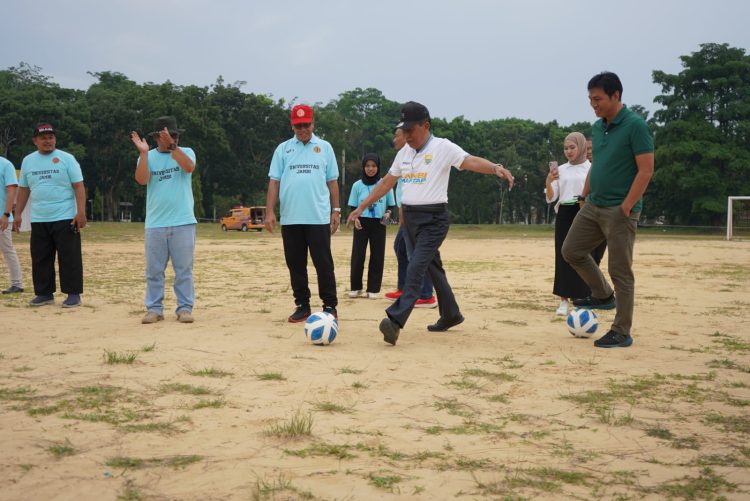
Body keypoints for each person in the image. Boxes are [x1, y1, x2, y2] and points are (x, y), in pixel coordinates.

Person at [347, 101, 514, 345]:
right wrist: (361, 207)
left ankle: (394, 321)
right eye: (403, 131)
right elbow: (386, 184)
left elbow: (469, 161)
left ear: (425, 126)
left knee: (415, 268)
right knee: (432, 268)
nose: (406, 136)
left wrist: (496, 168)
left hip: (434, 220)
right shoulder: (404, 152)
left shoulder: (442, 147)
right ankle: (451, 314)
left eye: (410, 130)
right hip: (411, 220)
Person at [562, 71, 654, 348]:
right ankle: (603, 295)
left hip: (620, 210)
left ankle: (621, 331)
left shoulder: (635, 126)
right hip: (593, 205)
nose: (593, 104)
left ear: (616, 96)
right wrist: (584, 196)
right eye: (590, 99)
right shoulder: (597, 127)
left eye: (598, 98)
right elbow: (598, 166)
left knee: (620, 271)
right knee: (571, 251)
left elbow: (646, 170)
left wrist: (627, 206)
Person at [265, 104, 340, 322]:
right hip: (291, 218)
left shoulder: (325, 148)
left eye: (306, 124)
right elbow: (274, 182)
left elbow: (332, 182)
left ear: (312, 123)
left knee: (323, 264)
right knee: (296, 265)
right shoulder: (283, 149)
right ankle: (302, 305)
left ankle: (330, 305)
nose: (302, 129)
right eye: (298, 126)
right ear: (292, 125)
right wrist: (270, 211)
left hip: (317, 217)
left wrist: (336, 210)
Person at [130, 116, 197, 324]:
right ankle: (154, 308)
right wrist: (143, 154)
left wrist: (173, 146)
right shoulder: (148, 156)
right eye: (166, 136)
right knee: (154, 270)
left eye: (174, 135)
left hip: (183, 221)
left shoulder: (185, 152)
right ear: (157, 137)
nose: (171, 138)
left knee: (184, 269)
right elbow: (141, 180)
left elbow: (188, 167)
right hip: (155, 223)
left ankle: (184, 308)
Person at [13, 123, 86, 307]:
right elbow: (23, 189)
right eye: (43, 138)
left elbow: (79, 186)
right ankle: (44, 293)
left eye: (51, 137)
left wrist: (81, 212)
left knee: (69, 257)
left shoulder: (66, 158)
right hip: (39, 217)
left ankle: (73, 294)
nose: (48, 141)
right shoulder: (28, 161)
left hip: (65, 216)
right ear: (35, 140)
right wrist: (18, 214)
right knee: (40, 257)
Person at [545, 132, 597, 316]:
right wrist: (549, 181)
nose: (568, 151)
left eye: (572, 147)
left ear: (581, 147)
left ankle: (583, 297)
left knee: (583, 256)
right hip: (565, 214)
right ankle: (564, 300)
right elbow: (551, 198)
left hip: (585, 212)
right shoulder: (561, 169)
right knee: (563, 256)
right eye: (566, 148)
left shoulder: (591, 168)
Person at [385, 128, 437, 308]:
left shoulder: (417, 156)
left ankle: (426, 294)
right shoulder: (402, 157)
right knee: (401, 248)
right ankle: (404, 287)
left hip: (414, 214)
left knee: (418, 253)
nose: (395, 139)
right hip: (405, 212)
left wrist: (403, 213)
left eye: (397, 136)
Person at [347, 153, 396, 299]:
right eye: (367, 166)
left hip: (379, 223)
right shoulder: (357, 185)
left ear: (378, 167)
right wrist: (355, 218)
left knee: (377, 256)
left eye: (373, 166)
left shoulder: (385, 184)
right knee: (358, 256)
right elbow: (353, 206)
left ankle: (373, 289)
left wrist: (387, 214)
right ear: (363, 167)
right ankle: (356, 287)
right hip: (361, 222)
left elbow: (391, 206)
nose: (370, 169)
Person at [0, 156, 24, 294]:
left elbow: (11, 191)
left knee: (7, 250)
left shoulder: (5, 164)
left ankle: (17, 283)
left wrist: (6, 214)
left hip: (2, 217)